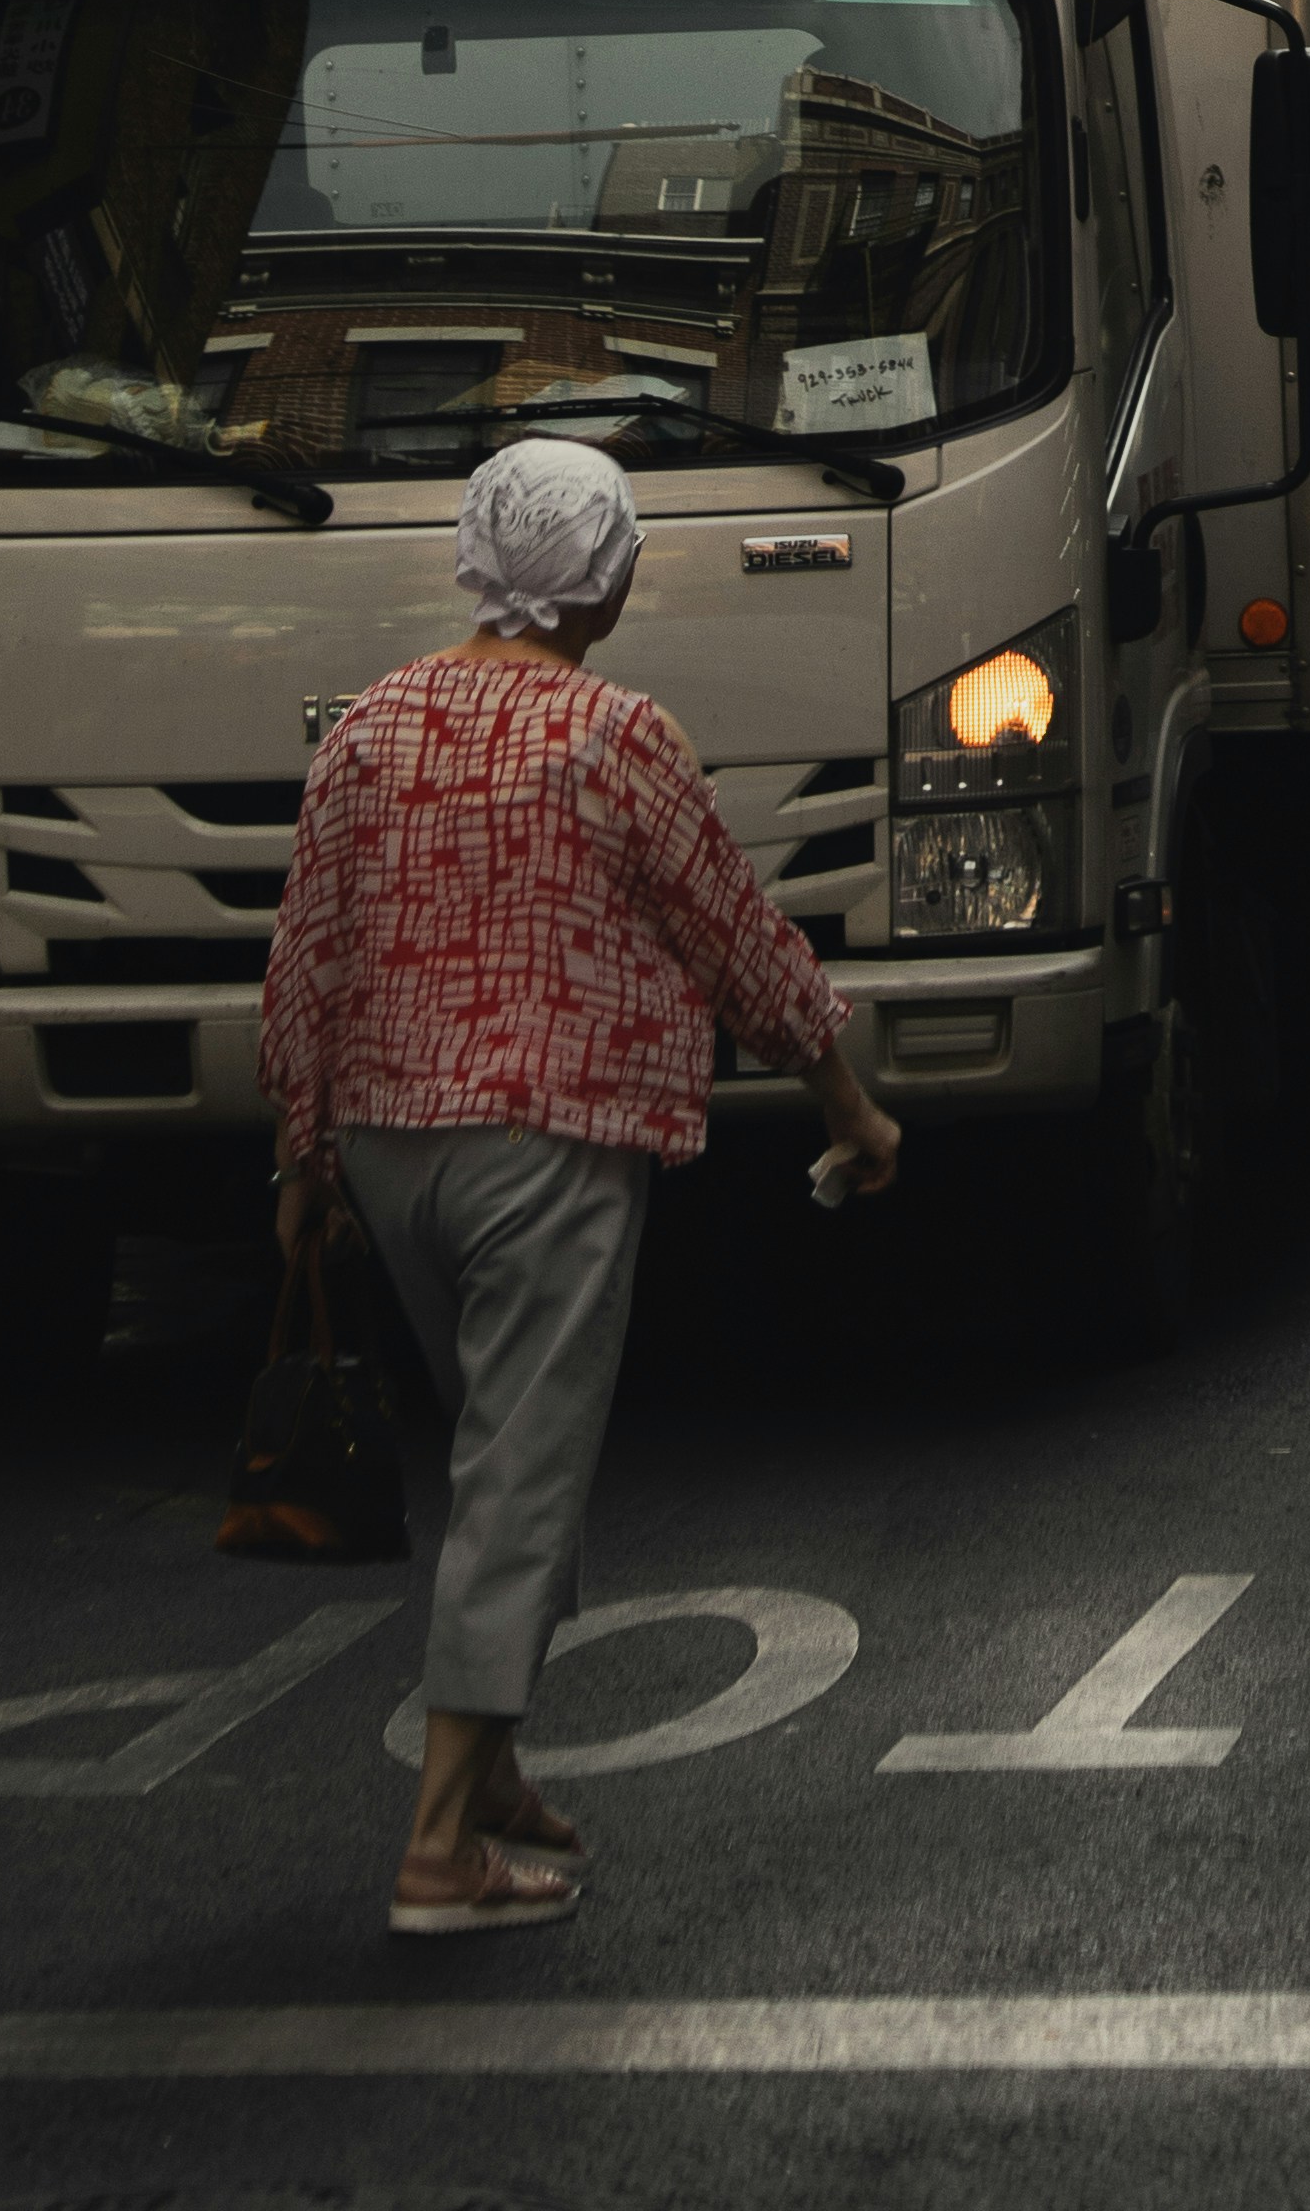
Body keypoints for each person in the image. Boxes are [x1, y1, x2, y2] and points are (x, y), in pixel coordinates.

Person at [257, 442, 904, 1938]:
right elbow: (737, 942)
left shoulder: (368, 731)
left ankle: (493, 1783)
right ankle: (438, 1846)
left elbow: (302, 958)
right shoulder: (620, 736)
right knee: (521, 1475)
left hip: (385, 1143)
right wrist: (849, 1103)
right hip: (545, 1142)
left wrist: (303, 1158)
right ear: (605, 581)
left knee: (501, 1454)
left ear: (479, 562)